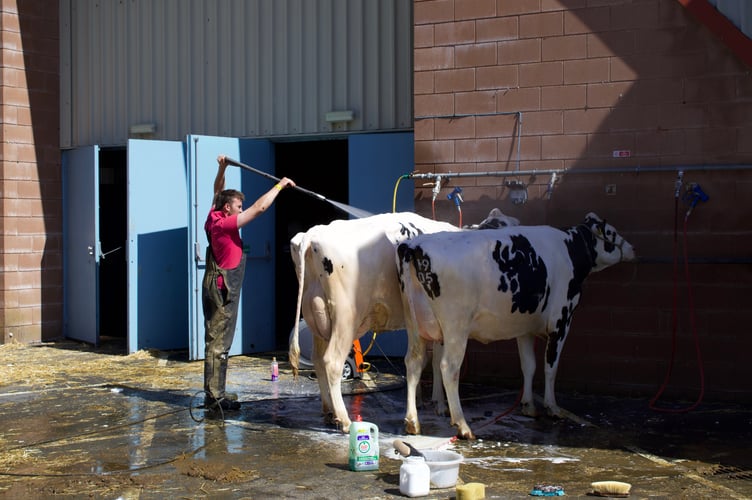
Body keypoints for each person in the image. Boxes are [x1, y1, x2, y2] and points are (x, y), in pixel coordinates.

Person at [202, 154, 296, 412]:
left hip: (217, 283)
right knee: (219, 343)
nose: (241, 210)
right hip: (223, 288)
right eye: (238, 207)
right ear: (227, 210)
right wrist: (280, 185)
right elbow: (260, 209)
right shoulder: (223, 225)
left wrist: (222, 168)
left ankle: (215, 393)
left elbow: (217, 190)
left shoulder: (213, 215)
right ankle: (215, 399)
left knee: (217, 341)